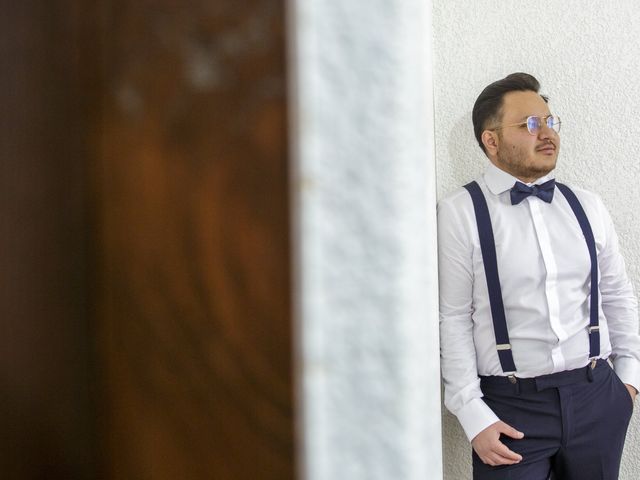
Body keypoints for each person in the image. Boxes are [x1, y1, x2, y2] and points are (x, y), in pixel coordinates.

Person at [438, 72, 640, 480]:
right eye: (530, 124)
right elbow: (452, 317)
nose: (546, 133)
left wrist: (629, 381)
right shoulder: (460, 213)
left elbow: (617, 292)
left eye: (550, 121)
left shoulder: (587, 205)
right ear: (491, 141)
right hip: (510, 408)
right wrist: (471, 412)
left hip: (596, 396)